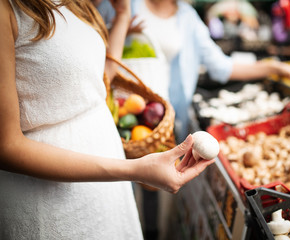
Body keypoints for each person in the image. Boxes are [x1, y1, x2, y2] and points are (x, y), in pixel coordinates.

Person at [0, 0, 216, 239]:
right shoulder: (7, 9)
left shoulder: (75, 4)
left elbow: (95, 85)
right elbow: (6, 147)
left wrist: (122, 16)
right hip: (50, 204)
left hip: (107, 194)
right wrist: (134, 169)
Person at [131, 0, 290, 143]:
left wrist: (273, 67)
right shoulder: (128, 5)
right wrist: (121, 27)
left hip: (162, 119)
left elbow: (222, 67)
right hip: (125, 107)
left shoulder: (187, 16)